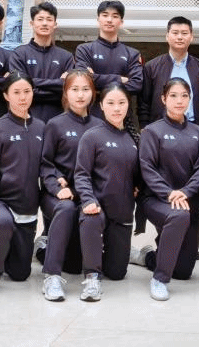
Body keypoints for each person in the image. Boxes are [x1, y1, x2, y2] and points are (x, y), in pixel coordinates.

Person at [135, 78, 199, 301]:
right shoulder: (152, 131)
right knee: (177, 216)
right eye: (173, 95)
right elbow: (147, 168)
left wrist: (185, 192)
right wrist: (169, 193)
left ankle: (149, 256)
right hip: (156, 200)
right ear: (163, 99)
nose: (179, 100)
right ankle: (159, 278)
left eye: (184, 96)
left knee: (183, 272)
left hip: (189, 201)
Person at [0, 72, 45, 298]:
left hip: (27, 206)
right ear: (6, 95)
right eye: (16, 92)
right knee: (2, 222)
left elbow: (48, 167)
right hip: (0, 201)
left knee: (20, 273)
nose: (22, 97)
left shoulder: (41, 128)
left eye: (27, 91)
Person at [39, 69, 104, 301]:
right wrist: (58, 187)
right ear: (66, 93)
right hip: (58, 195)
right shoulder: (55, 124)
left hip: (88, 195)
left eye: (85, 89)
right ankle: (52, 276)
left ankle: (93, 278)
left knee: (75, 264)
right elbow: (45, 164)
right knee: (66, 208)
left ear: (93, 93)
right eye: (74, 89)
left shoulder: (100, 125)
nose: (80, 95)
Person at [73, 83, 140, 301]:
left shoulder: (134, 138)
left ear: (128, 105)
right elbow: (81, 174)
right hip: (96, 207)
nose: (117, 108)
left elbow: (140, 174)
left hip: (122, 212)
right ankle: (92, 277)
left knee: (117, 273)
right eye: (110, 103)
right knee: (91, 218)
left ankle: (125, 253)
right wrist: (88, 200)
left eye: (121, 103)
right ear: (101, 105)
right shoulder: (91, 136)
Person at [74, 0, 143, 122]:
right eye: (105, 15)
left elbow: (136, 85)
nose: (109, 20)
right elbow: (84, 80)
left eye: (115, 16)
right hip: (91, 116)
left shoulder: (132, 54)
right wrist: (119, 79)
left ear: (121, 22)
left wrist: (97, 81)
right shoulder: (84, 50)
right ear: (98, 20)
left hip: (123, 119)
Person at [8, 2, 75, 123]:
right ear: (32, 24)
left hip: (59, 119)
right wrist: (57, 84)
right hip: (25, 118)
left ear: (55, 24)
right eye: (40, 19)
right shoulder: (19, 54)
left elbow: (68, 89)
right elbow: (19, 87)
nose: (44, 23)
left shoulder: (66, 56)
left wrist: (31, 82)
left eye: (49, 19)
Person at [138, 16, 199, 127]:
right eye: (175, 33)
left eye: (184, 33)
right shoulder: (151, 67)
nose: (180, 37)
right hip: (161, 127)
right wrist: (144, 127)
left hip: (193, 127)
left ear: (191, 37)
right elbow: (144, 102)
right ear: (167, 36)